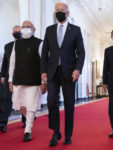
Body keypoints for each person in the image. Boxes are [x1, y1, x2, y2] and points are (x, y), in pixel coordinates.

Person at [41, 2, 85, 147]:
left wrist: (77, 69)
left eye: (63, 10)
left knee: (69, 104)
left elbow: (81, 52)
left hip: (69, 72)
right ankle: (55, 132)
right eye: (57, 10)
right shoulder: (49, 29)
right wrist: (43, 72)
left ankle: (68, 135)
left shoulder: (76, 30)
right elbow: (44, 53)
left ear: (68, 13)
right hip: (52, 71)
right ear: (55, 12)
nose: (60, 12)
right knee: (51, 102)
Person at [9, 21, 46, 142]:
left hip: (33, 80)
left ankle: (27, 131)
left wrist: (44, 81)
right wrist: (10, 80)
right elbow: (12, 63)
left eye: (28, 27)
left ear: (34, 29)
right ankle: (31, 117)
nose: (25, 29)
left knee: (30, 106)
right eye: (23, 27)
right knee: (17, 104)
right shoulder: (17, 43)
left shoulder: (39, 43)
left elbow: (43, 62)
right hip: (18, 79)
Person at [0, 25, 22, 132]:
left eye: (19, 31)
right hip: (9, 77)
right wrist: (3, 76)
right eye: (15, 31)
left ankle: (25, 120)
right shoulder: (7, 46)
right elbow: (5, 62)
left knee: (23, 100)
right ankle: (3, 123)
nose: (17, 32)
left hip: (23, 77)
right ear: (12, 33)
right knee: (6, 99)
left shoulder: (27, 45)